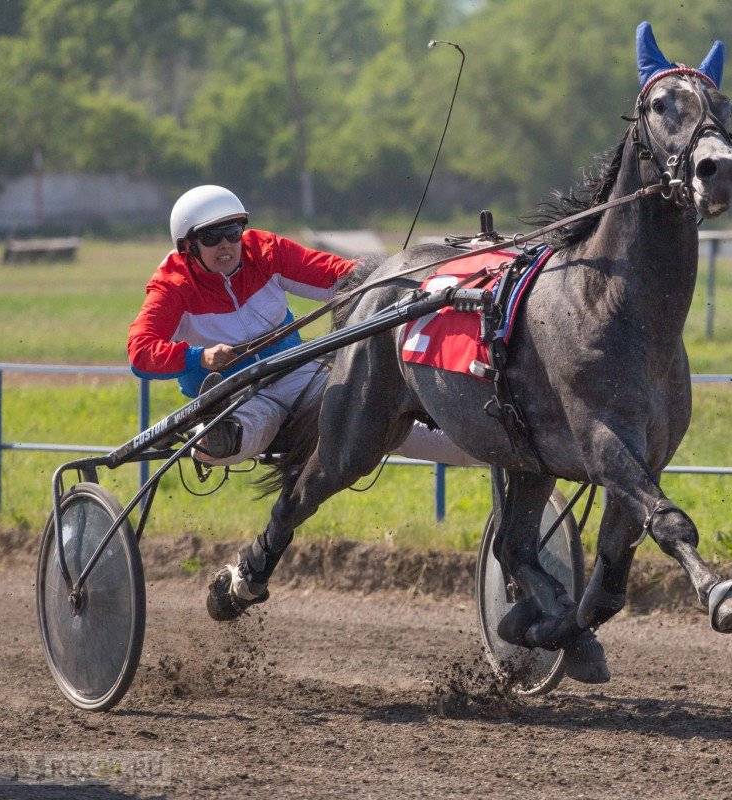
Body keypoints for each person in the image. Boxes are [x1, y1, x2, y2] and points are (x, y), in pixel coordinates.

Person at [128, 185, 478, 619]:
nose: (226, 246)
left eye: (234, 231)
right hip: (235, 394)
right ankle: (214, 439)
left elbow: (346, 280)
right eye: (212, 237)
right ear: (187, 246)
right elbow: (140, 352)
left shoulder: (267, 252)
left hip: (298, 374)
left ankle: (480, 444)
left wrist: (409, 283)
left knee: (367, 409)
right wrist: (197, 356)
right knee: (240, 434)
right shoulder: (172, 288)